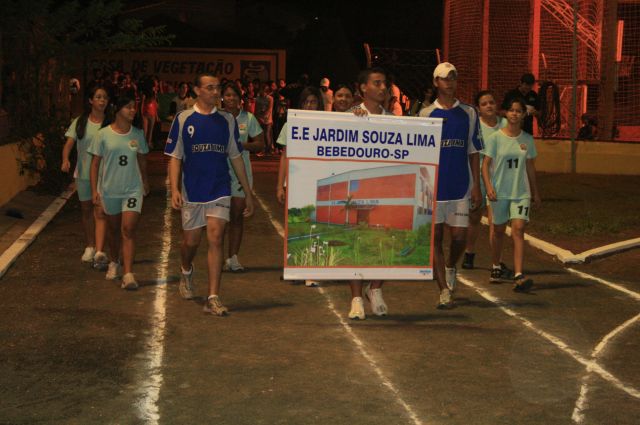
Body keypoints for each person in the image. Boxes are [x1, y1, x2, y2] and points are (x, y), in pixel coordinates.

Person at [165, 73, 254, 316]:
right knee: (191, 243)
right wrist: (175, 189)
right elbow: (175, 157)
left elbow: (236, 157)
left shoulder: (226, 120)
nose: (216, 92)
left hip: (220, 188)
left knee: (216, 237)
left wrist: (247, 192)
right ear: (197, 90)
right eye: (210, 87)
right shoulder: (184, 119)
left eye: (218, 88)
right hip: (193, 190)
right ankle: (186, 269)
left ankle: (213, 297)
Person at [419, 62, 483, 309]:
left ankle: (450, 265)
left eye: (453, 78)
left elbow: (474, 151)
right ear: (436, 82)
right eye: (445, 78)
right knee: (435, 238)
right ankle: (444, 289)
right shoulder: (426, 114)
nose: (450, 83)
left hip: (460, 185)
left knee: (459, 238)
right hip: (433, 186)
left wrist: (476, 186)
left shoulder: (469, 113)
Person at [344, 67, 394, 319]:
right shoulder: (350, 116)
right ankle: (356, 297)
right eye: (377, 83)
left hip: (384, 190)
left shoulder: (393, 119)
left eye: (384, 83)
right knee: (358, 240)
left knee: (386, 239)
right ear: (363, 87)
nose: (383, 87)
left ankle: (375, 288)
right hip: (358, 190)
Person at [89, 95, 149, 290]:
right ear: (117, 109)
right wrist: (95, 190)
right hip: (110, 191)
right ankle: (114, 261)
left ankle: (128, 274)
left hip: (132, 190)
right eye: (128, 107)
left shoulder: (137, 134)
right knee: (113, 230)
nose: (132, 110)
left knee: (128, 229)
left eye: (134, 107)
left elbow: (142, 159)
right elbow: (95, 164)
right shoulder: (103, 134)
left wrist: (145, 181)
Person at [482, 97, 541, 291]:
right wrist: (489, 187)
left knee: (518, 229)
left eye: (518, 111)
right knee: (498, 231)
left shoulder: (527, 139)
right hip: (499, 192)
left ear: (524, 115)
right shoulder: (495, 138)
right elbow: (485, 165)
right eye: (511, 110)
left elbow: (530, 167)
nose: (514, 114)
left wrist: (535, 192)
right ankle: (496, 265)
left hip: (520, 192)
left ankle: (518, 275)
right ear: (505, 113)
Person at [276, 87, 325, 288]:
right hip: (295, 183)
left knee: (314, 226)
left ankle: (312, 271)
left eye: (313, 102)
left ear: (319, 104)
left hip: (316, 183)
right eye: (306, 102)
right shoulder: (291, 124)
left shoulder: (326, 125)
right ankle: (296, 268)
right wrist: (280, 185)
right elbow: (284, 156)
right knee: (295, 227)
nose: (309, 105)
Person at [462, 90, 512, 280]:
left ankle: (496, 263)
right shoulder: (475, 126)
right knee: (474, 217)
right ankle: (469, 253)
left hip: (498, 179)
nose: (489, 106)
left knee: (495, 222)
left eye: (491, 102)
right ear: (478, 108)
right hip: (477, 177)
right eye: (484, 104)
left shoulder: (505, 124)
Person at [61, 85, 110, 267]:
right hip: (83, 174)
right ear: (90, 100)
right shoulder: (80, 122)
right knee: (87, 210)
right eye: (98, 97)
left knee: (101, 211)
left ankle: (100, 249)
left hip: (105, 176)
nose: (102, 100)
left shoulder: (110, 123)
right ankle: (90, 246)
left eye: (104, 97)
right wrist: (65, 159)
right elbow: (69, 144)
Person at [220, 83, 264, 272]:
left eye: (234, 95)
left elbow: (260, 144)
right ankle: (218, 257)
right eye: (227, 95)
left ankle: (233, 258)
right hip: (219, 173)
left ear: (240, 98)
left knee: (237, 215)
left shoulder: (248, 118)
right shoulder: (216, 117)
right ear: (222, 98)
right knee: (219, 219)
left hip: (241, 173)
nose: (231, 98)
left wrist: (241, 145)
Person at [254, 82, 274, 155]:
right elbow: (256, 109)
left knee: (267, 134)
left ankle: (269, 149)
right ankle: (263, 149)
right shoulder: (258, 99)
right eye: (261, 90)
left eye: (264, 91)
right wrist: (257, 117)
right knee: (261, 135)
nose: (262, 92)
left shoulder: (270, 98)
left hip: (268, 119)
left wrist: (264, 114)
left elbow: (270, 109)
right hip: (260, 119)